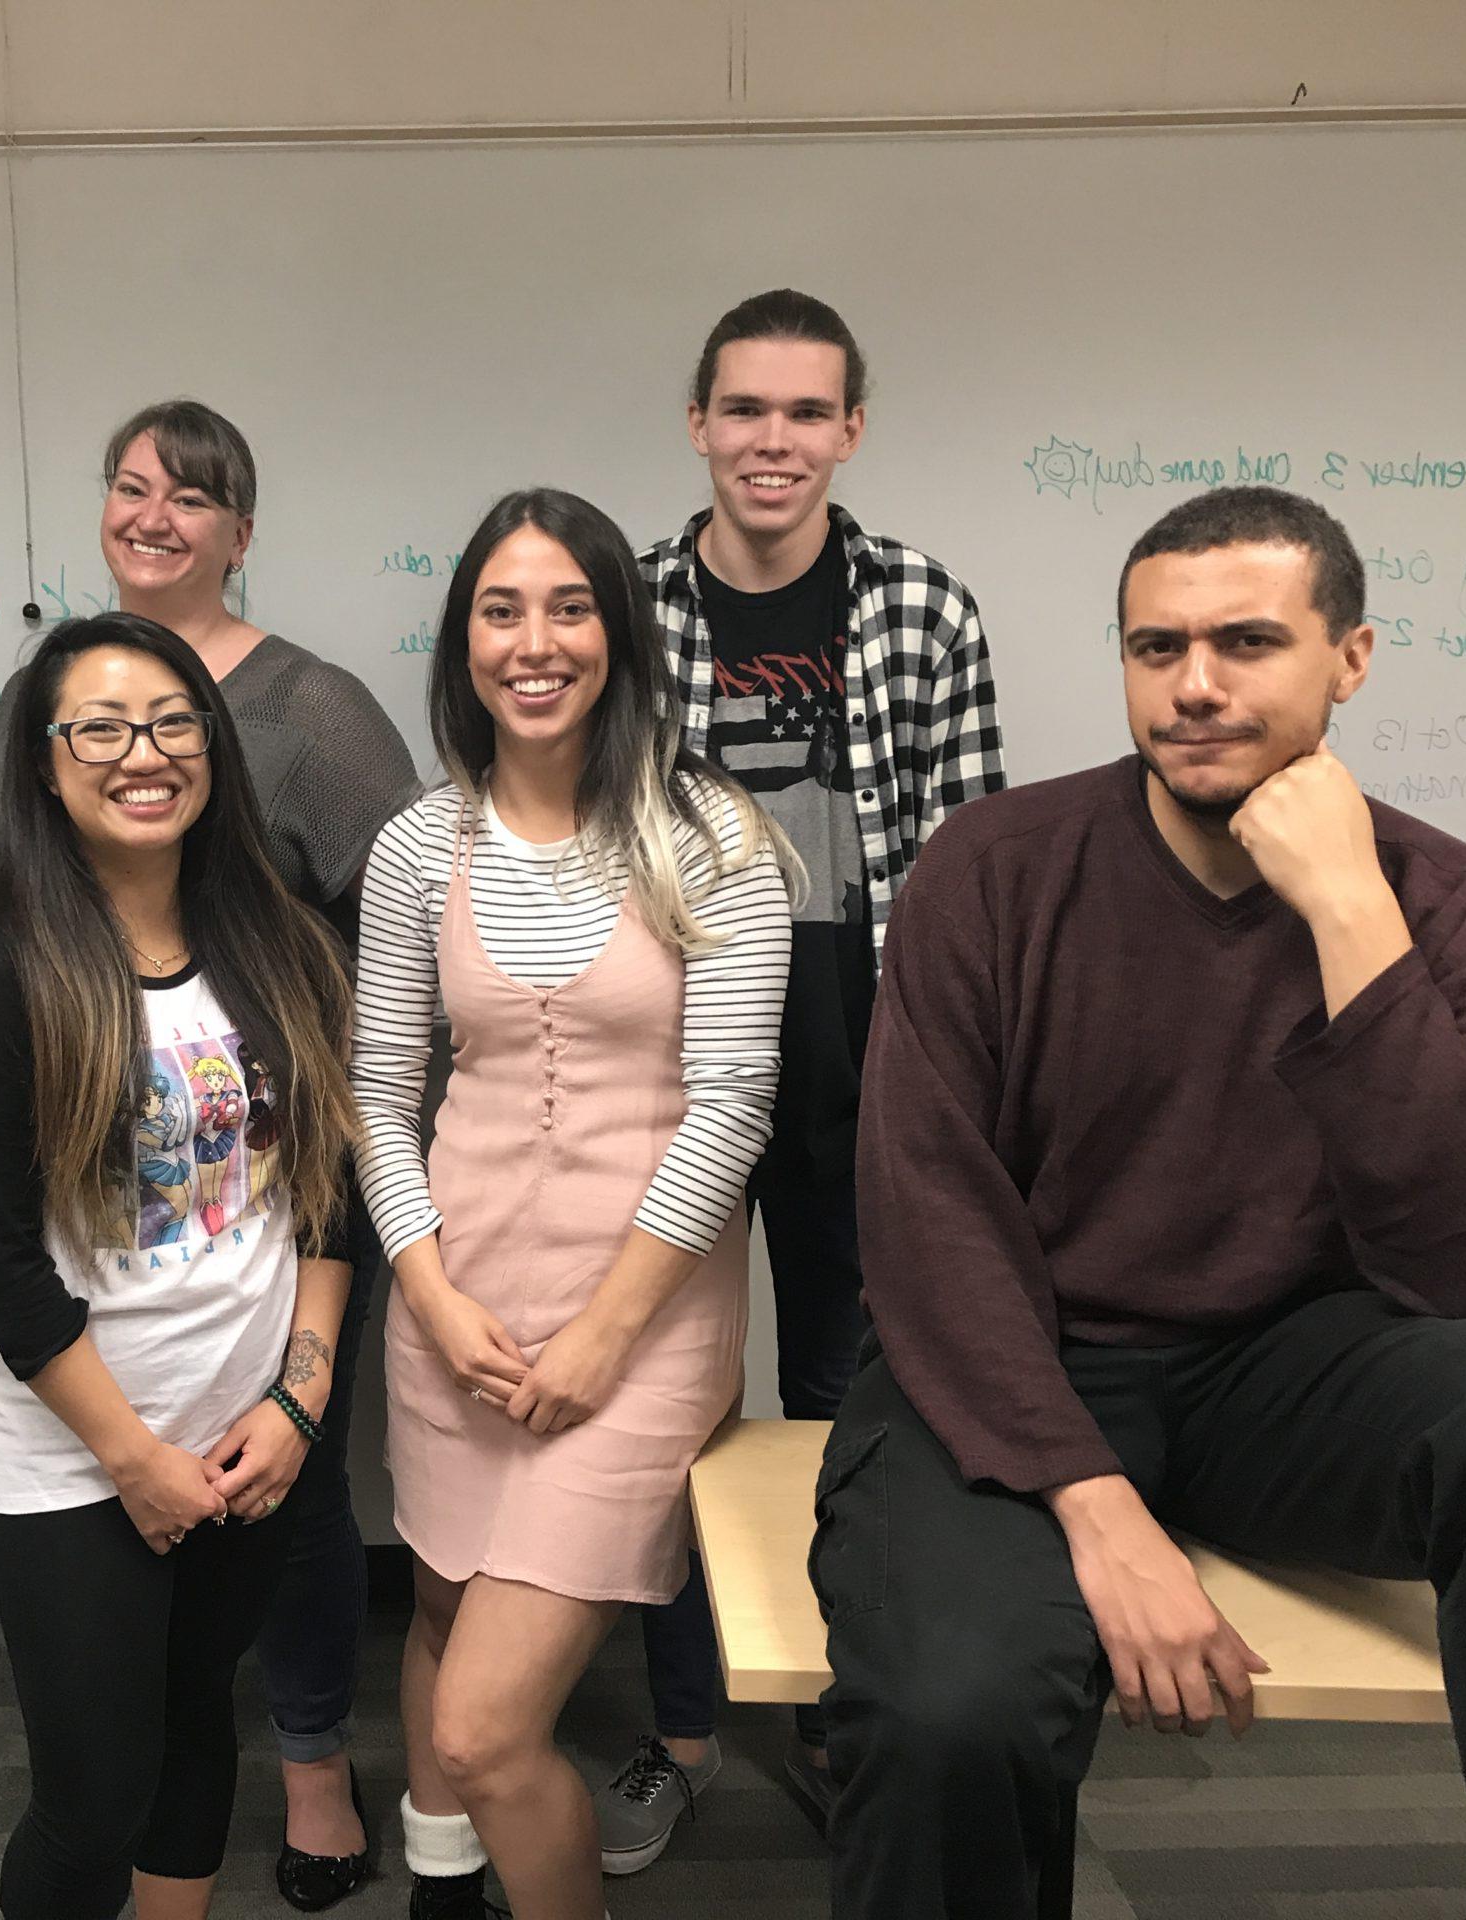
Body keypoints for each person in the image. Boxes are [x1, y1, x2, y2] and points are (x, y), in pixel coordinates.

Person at [821, 485, 1466, 1919]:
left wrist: (1351, 919)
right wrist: (1097, 1508)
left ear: (1351, 659)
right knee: (954, 1711)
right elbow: (930, 1226)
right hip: (1017, 1366)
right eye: (1155, 649)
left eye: (1246, 643)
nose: (1193, 687)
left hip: (1292, 1376)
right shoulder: (995, 872)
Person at [0, 399, 416, 1904]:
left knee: (188, 1758)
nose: (141, 754)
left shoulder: (275, 949)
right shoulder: (7, 972)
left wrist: (302, 1389)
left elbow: (332, 1183)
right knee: (91, 1800)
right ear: (44, 760)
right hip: (87, 1454)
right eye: (99, 727)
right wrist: (129, 1458)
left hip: (247, 1433)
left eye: (169, 727)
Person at [602, 286, 1007, 1870]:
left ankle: (851, 1718)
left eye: (805, 412)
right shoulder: (621, 607)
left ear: (851, 428)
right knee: (671, 1404)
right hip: (675, 1075)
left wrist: (963, 1097)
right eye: (745, 410)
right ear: (698, 421)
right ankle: (685, 1730)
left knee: (855, 1406)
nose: (773, 442)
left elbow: (966, 872)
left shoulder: (923, 606)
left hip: (873, 1079)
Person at [353, 488, 793, 1920]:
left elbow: (732, 1106)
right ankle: (440, 1884)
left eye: (567, 607)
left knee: (488, 1726)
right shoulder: (422, 846)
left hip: (641, 1323)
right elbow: (378, 1092)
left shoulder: (709, 835)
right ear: (463, 641)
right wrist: (427, 1294)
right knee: (437, 1603)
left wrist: (605, 1338)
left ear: (619, 631)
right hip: (457, 1299)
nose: (533, 643)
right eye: (500, 609)